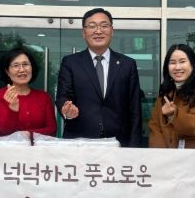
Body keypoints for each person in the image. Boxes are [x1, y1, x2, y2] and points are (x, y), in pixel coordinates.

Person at [55, 8, 142, 146]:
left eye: (104, 25)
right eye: (92, 26)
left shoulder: (127, 64)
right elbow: (63, 97)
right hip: (80, 142)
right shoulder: (70, 62)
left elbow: (135, 110)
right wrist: (67, 111)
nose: (98, 31)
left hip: (119, 143)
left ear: (112, 31)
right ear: (84, 33)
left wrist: (134, 147)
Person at [148, 44, 195, 149]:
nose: (177, 67)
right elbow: (155, 127)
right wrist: (161, 154)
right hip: (166, 157)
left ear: (192, 64)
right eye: (172, 63)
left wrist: (173, 114)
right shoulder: (165, 93)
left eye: (182, 62)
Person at [0, 48, 56, 138]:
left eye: (25, 64)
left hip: (39, 147)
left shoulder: (43, 97)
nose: (22, 70)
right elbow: (4, 131)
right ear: (7, 71)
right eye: (16, 65)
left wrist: (27, 134)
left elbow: (52, 130)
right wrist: (12, 110)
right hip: (7, 147)